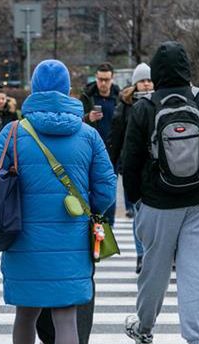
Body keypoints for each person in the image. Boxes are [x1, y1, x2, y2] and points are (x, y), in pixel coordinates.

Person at [0, 59, 116, 344]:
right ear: (68, 89)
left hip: (22, 239)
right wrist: (88, 209)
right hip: (72, 239)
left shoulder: (13, 132)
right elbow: (107, 187)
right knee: (66, 317)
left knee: (25, 314)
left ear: (34, 88)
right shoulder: (88, 134)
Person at [122, 41, 199, 344]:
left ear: (155, 72)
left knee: (153, 272)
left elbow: (130, 162)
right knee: (195, 275)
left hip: (157, 204)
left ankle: (144, 329)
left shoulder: (145, 107)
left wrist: (137, 201)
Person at [112, 62, 154, 273]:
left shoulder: (160, 102)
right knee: (138, 215)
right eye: (142, 81)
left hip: (155, 169)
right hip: (132, 168)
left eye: (148, 80)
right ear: (135, 84)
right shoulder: (125, 106)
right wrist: (114, 163)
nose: (146, 85)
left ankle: (161, 254)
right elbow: (117, 137)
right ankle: (141, 255)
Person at [80, 62, 120, 224]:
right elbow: (74, 121)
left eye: (106, 80)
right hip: (90, 149)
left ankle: (109, 224)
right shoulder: (87, 96)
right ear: (95, 78)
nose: (103, 83)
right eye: (100, 79)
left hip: (113, 151)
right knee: (89, 187)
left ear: (112, 79)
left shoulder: (119, 97)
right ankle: (91, 222)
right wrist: (87, 118)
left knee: (109, 189)